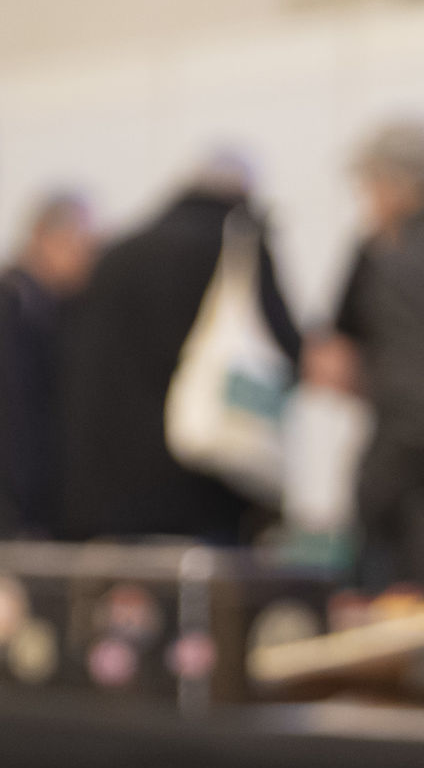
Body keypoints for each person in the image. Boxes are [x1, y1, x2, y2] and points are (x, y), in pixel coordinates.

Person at [56, 157, 301, 545]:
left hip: (111, 486)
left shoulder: (117, 255)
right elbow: (284, 347)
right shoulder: (237, 248)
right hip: (205, 478)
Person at [0, 190, 97, 548]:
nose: (89, 262)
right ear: (45, 238)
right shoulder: (8, 305)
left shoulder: (43, 307)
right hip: (0, 508)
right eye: (82, 245)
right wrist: (16, 510)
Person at [317, 121, 424, 586]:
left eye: (371, 186)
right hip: (402, 437)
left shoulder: (382, 253)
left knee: (386, 584)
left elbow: (333, 360)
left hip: (401, 444)